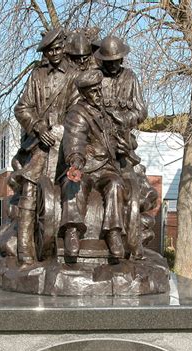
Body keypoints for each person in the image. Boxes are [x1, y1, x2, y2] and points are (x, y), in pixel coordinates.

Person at [12, 27, 79, 265]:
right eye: (50, 51)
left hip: (66, 142)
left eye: (59, 48)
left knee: (73, 186)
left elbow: (79, 109)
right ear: (45, 53)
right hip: (40, 144)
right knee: (30, 191)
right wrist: (39, 128)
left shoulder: (74, 75)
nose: (55, 53)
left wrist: (62, 129)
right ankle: (24, 249)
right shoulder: (37, 76)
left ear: (64, 46)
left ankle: (67, 243)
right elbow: (21, 108)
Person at [60, 69, 133, 259]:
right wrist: (76, 164)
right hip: (86, 167)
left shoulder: (107, 112)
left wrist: (125, 145)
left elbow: (118, 138)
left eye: (99, 89)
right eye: (93, 91)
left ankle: (114, 232)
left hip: (107, 167)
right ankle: (72, 231)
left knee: (116, 185)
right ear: (84, 94)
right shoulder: (77, 114)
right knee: (74, 186)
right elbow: (75, 141)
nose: (99, 94)